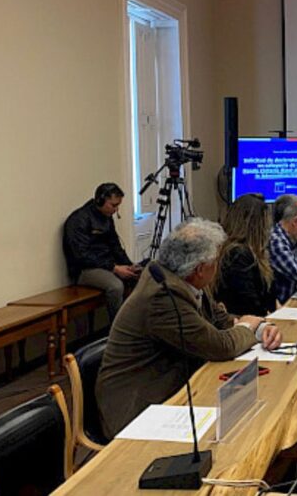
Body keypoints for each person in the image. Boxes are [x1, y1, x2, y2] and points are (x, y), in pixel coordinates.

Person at [96, 218, 283, 437]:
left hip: (175, 386)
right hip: (139, 407)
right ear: (200, 269)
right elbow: (220, 346)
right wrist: (248, 326)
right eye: (215, 261)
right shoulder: (163, 295)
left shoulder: (183, 278)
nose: (218, 266)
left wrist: (260, 329)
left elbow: (221, 321)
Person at [62, 182, 138, 319]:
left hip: (107, 264)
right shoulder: (79, 220)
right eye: (113, 205)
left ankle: (135, 323)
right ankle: (117, 329)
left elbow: (115, 246)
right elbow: (82, 256)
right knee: (116, 287)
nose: (116, 210)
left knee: (138, 277)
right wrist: (114, 268)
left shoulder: (106, 218)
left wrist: (129, 265)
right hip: (85, 270)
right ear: (100, 200)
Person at [215, 193, 277, 316]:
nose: (268, 229)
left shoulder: (254, 253)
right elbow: (249, 305)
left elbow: (269, 297)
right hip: (245, 324)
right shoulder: (237, 255)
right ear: (256, 225)